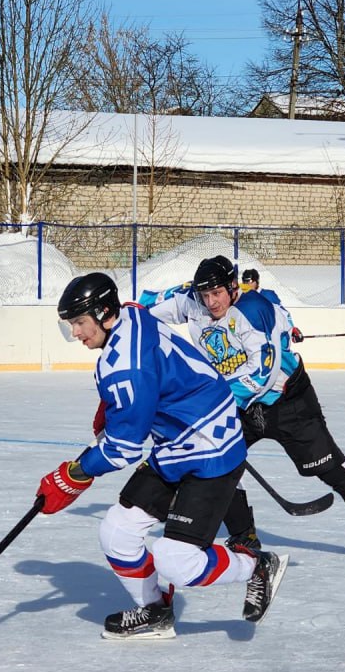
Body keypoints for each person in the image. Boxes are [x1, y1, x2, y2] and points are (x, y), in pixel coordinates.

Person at [36, 272, 287, 640]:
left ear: (105, 313)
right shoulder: (132, 313)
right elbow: (153, 379)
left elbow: (123, 448)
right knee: (117, 532)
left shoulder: (126, 366)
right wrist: (114, 406)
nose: (75, 332)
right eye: (70, 324)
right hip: (176, 444)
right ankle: (156, 611)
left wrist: (73, 475)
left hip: (210, 452)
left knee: (177, 561)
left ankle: (256, 565)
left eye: (78, 322)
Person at [142, 255, 345, 564]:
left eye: (216, 294)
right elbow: (146, 305)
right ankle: (244, 535)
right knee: (216, 462)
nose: (210, 302)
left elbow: (260, 374)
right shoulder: (194, 299)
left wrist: (213, 397)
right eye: (205, 295)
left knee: (330, 469)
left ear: (233, 287)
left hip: (287, 401)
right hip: (237, 406)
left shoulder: (253, 310)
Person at [241, 267, 302, 342]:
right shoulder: (241, 297)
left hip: (271, 337)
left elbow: (284, 313)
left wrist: (292, 329)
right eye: (244, 281)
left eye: (249, 281)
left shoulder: (268, 295)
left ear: (256, 282)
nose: (246, 284)